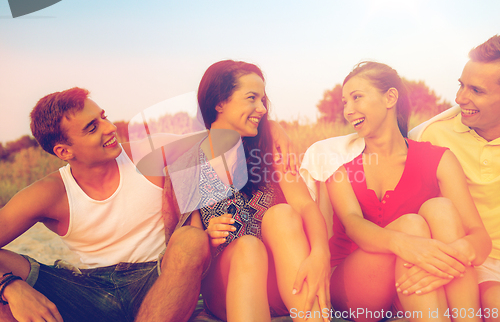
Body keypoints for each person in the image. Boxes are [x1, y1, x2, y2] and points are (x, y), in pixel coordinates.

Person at [0, 87, 296, 322]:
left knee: (191, 239)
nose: (108, 127)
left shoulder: (147, 155)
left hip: (158, 279)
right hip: (86, 289)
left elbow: (222, 138)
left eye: (103, 116)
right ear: (64, 151)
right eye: (92, 127)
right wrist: (9, 286)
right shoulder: (49, 193)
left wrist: (272, 127)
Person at [303, 61, 490, 322]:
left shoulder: (438, 159)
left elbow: (480, 239)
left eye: (357, 97)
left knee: (441, 209)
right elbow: (354, 224)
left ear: (390, 97)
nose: (348, 110)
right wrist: (407, 245)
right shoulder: (338, 161)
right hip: (356, 284)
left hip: (415, 280)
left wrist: (447, 257)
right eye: (345, 102)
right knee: (412, 225)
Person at [163, 60, 331, 322]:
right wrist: (207, 237)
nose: (262, 109)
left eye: (263, 100)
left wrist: (321, 253)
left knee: (283, 214)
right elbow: (188, 245)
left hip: (281, 285)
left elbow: (306, 206)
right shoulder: (187, 164)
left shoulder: (269, 148)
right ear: (219, 102)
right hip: (225, 286)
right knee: (249, 247)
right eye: (252, 98)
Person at [409, 34, 500, 321]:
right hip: (478, 263)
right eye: (461, 85)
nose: (460, 99)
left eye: (476, 90)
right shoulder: (435, 136)